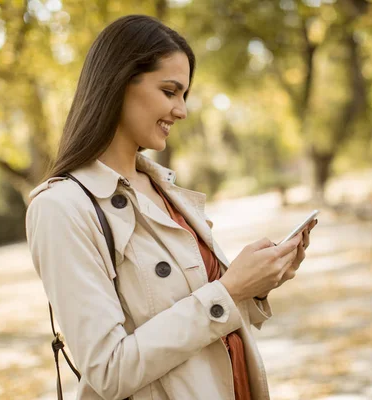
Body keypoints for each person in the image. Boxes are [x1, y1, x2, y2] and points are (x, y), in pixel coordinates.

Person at [26, 14, 316, 400]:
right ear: (119, 82)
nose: (181, 111)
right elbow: (108, 371)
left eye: (184, 95)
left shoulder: (166, 190)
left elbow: (209, 316)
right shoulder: (61, 209)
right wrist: (229, 291)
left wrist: (258, 283)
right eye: (169, 91)